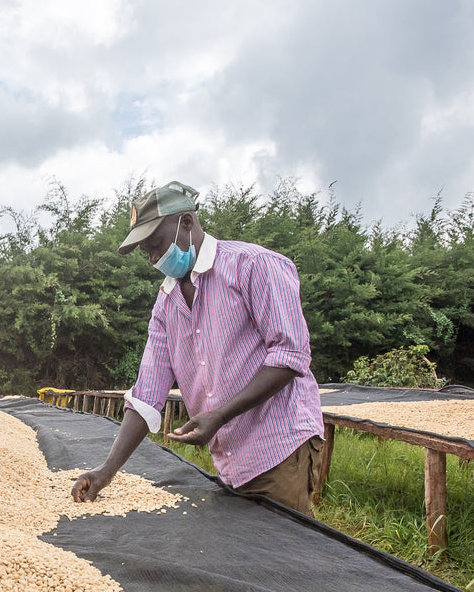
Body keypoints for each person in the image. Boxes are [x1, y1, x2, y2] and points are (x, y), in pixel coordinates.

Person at [72, 181, 324, 514]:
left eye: (156, 244)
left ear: (187, 223)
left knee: (282, 557)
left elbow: (290, 356)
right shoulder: (166, 303)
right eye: (145, 252)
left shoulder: (253, 266)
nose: (152, 258)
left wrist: (220, 416)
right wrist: (106, 471)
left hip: (278, 447)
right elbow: (147, 393)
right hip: (230, 460)